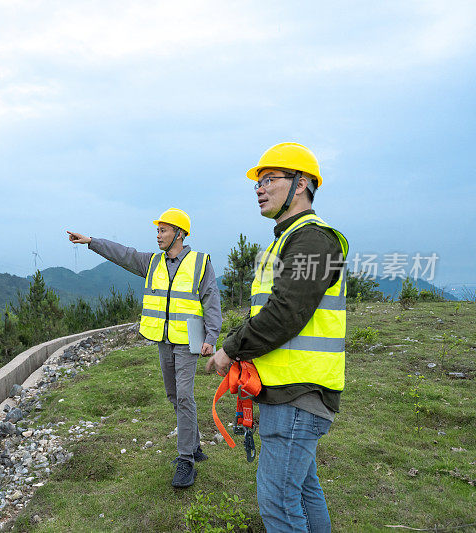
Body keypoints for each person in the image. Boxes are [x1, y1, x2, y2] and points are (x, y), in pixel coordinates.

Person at [205, 142, 348, 532]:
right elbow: (268, 311)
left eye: (270, 179)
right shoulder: (285, 240)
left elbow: (285, 314)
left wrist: (229, 351)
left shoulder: (314, 241)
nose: (259, 188)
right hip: (287, 394)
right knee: (302, 491)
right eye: (258, 182)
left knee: (279, 503)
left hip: (297, 397)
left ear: (301, 183)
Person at [68, 208, 222, 488]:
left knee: (185, 396)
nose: (158, 235)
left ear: (179, 233)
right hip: (163, 340)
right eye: (158, 230)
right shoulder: (152, 262)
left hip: (189, 342)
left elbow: (211, 298)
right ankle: (195, 444)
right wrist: (91, 241)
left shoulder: (200, 263)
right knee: (174, 395)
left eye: (163, 230)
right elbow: (122, 254)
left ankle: (186, 459)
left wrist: (211, 336)